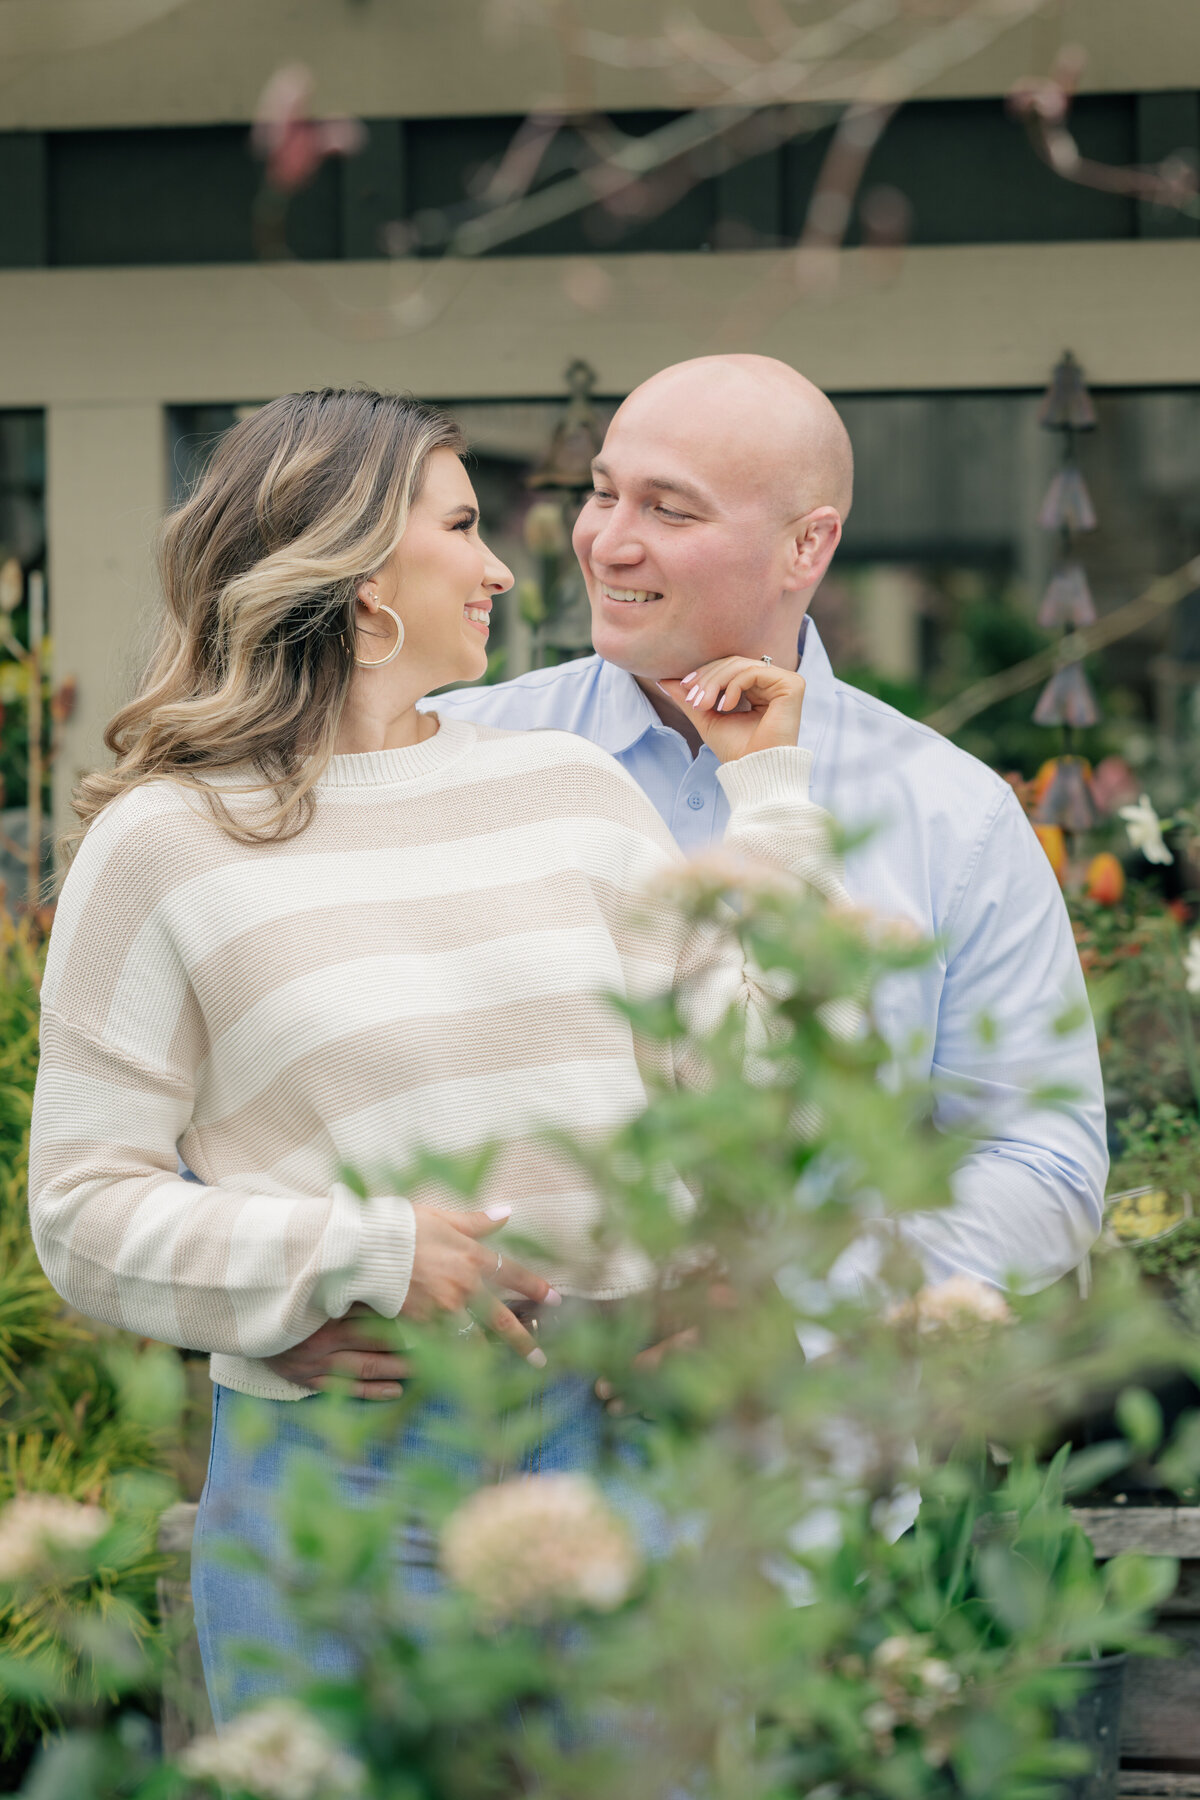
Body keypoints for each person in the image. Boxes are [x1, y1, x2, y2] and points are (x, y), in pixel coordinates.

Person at [28, 386, 847, 1721]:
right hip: (342, 1468)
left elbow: (761, 1092)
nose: (502, 566)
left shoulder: (569, 791)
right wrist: (356, 1256)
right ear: (356, 575)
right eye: (464, 526)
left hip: (614, 1441)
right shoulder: (166, 843)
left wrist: (768, 796)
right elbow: (79, 1213)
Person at [273, 355, 1106, 1400]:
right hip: (466, 1477)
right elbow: (264, 1069)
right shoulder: (443, 749)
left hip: (804, 1506)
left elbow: (1046, 1167)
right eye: (604, 492)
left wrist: (796, 1310)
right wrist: (282, 1307)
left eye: (670, 510)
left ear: (809, 544)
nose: (607, 541)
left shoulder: (957, 818)